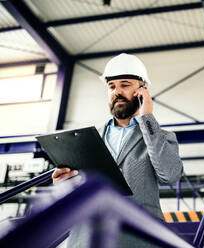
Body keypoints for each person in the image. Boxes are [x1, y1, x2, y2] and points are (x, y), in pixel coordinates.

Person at [51, 53, 184, 247]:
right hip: (87, 237)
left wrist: (147, 117)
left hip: (136, 238)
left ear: (142, 90)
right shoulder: (87, 139)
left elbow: (170, 174)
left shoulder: (160, 137)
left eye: (125, 84)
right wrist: (64, 185)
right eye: (112, 86)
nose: (116, 91)